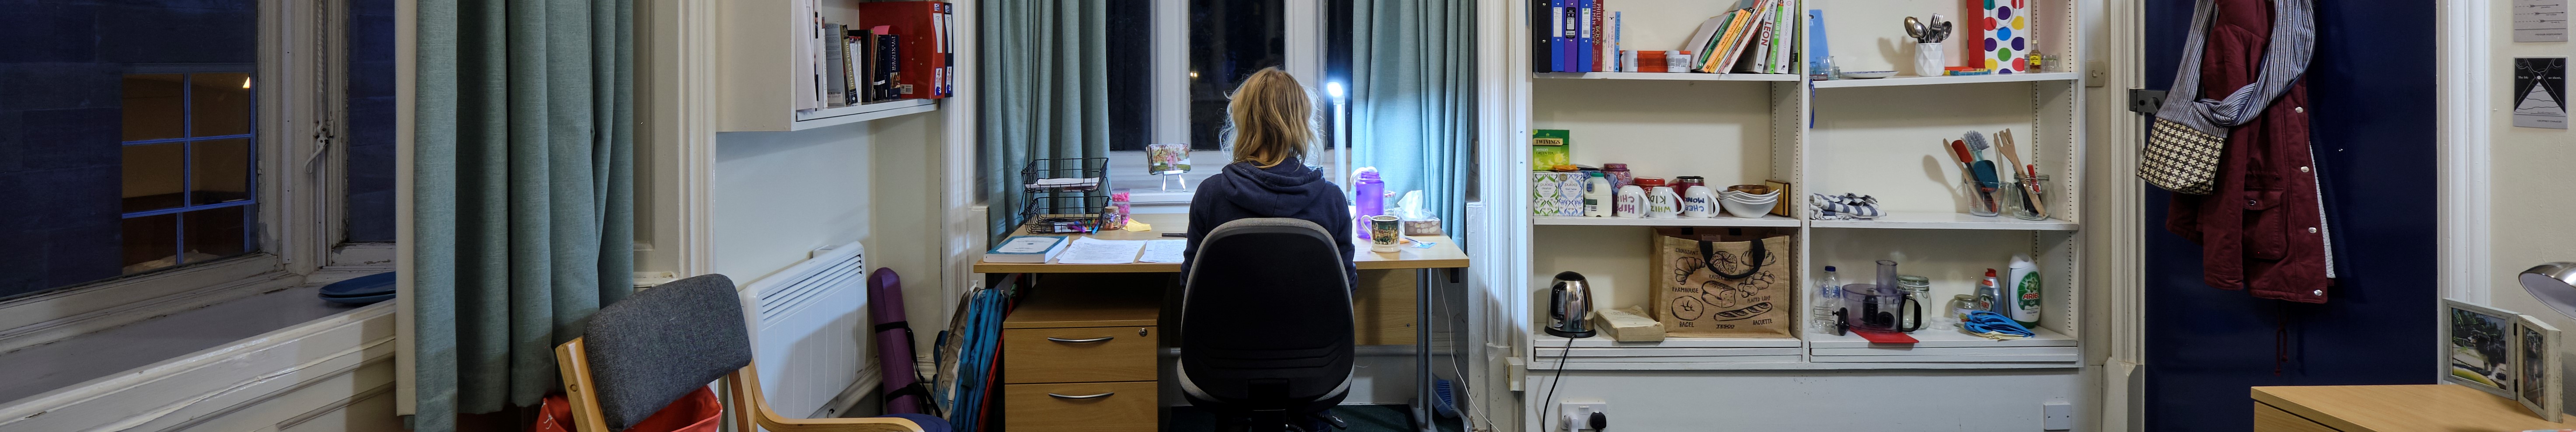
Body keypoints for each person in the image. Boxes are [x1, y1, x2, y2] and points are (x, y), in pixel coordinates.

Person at [1181, 67, 1357, 286]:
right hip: (1308, 321)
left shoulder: (1211, 195)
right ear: (1301, 124)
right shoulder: (1332, 200)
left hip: (1228, 321)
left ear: (1243, 122)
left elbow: (1190, 283)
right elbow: (1346, 285)